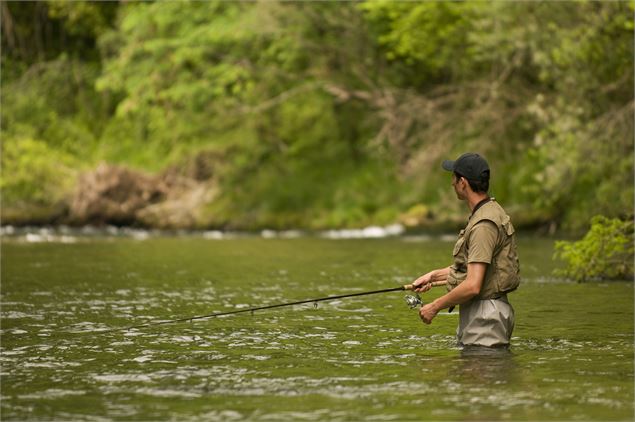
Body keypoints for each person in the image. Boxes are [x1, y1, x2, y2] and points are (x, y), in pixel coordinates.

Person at [413, 153, 520, 348]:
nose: (452, 183)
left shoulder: (483, 225)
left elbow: (473, 285)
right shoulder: (489, 211)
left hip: (486, 318)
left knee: (478, 375)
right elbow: (478, 270)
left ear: (463, 182)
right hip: (483, 315)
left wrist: (434, 307)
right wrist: (433, 277)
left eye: (454, 178)